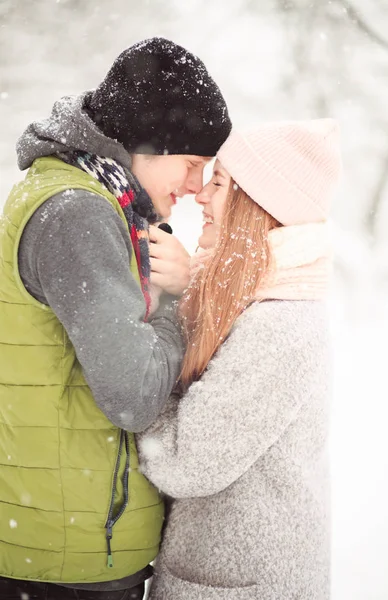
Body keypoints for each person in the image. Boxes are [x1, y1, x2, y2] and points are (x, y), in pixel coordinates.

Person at [0, 37, 231, 600]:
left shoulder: (83, 198)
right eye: (193, 164)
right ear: (150, 142)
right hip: (63, 558)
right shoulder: (78, 212)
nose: (197, 187)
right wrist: (180, 304)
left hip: (64, 541)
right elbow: (134, 395)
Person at [138, 119, 342, 600]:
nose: (201, 196)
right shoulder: (249, 299)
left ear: (257, 204)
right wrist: (182, 295)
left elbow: (186, 462)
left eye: (219, 183)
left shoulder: (281, 325)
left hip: (242, 587)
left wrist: (129, 382)